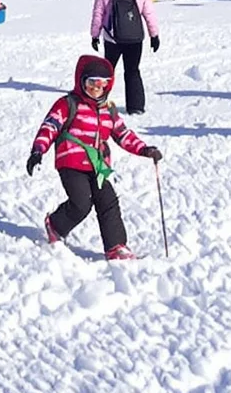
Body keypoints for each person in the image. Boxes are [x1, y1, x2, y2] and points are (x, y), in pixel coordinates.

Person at [26, 55, 162, 262]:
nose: (97, 88)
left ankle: (116, 246)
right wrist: (38, 151)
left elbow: (123, 134)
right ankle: (55, 225)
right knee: (81, 203)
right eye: (92, 83)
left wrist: (145, 150)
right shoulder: (68, 104)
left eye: (103, 84)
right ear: (81, 81)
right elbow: (50, 127)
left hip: (97, 166)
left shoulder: (108, 109)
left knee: (108, 200)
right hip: (71, 162)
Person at [89, 0, 159, 115]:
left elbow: (98, 13)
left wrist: (94, 35)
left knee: (107, 71)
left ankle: (98, 103)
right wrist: (154, 35)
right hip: (135, 38)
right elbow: (149, 13)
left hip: (112, 38)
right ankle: (136, 106)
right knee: (132, 70)